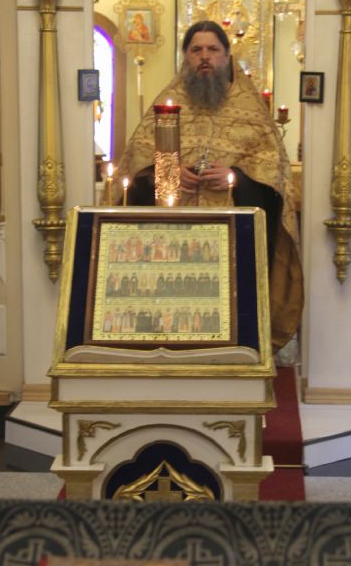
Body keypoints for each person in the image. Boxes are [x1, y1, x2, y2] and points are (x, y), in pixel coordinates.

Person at [114, 20, 303, 350]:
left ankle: (234, 353)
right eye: (196, 49)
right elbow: (133, 174)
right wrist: (168, 172)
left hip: (231, 240)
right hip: (171, 240)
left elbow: (276, 182)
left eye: (213, 49)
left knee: (230, 314)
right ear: (185, 57)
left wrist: (236, 178)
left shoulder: (251, 111)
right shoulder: (165, 106)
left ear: (227, 56)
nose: (204, 56)